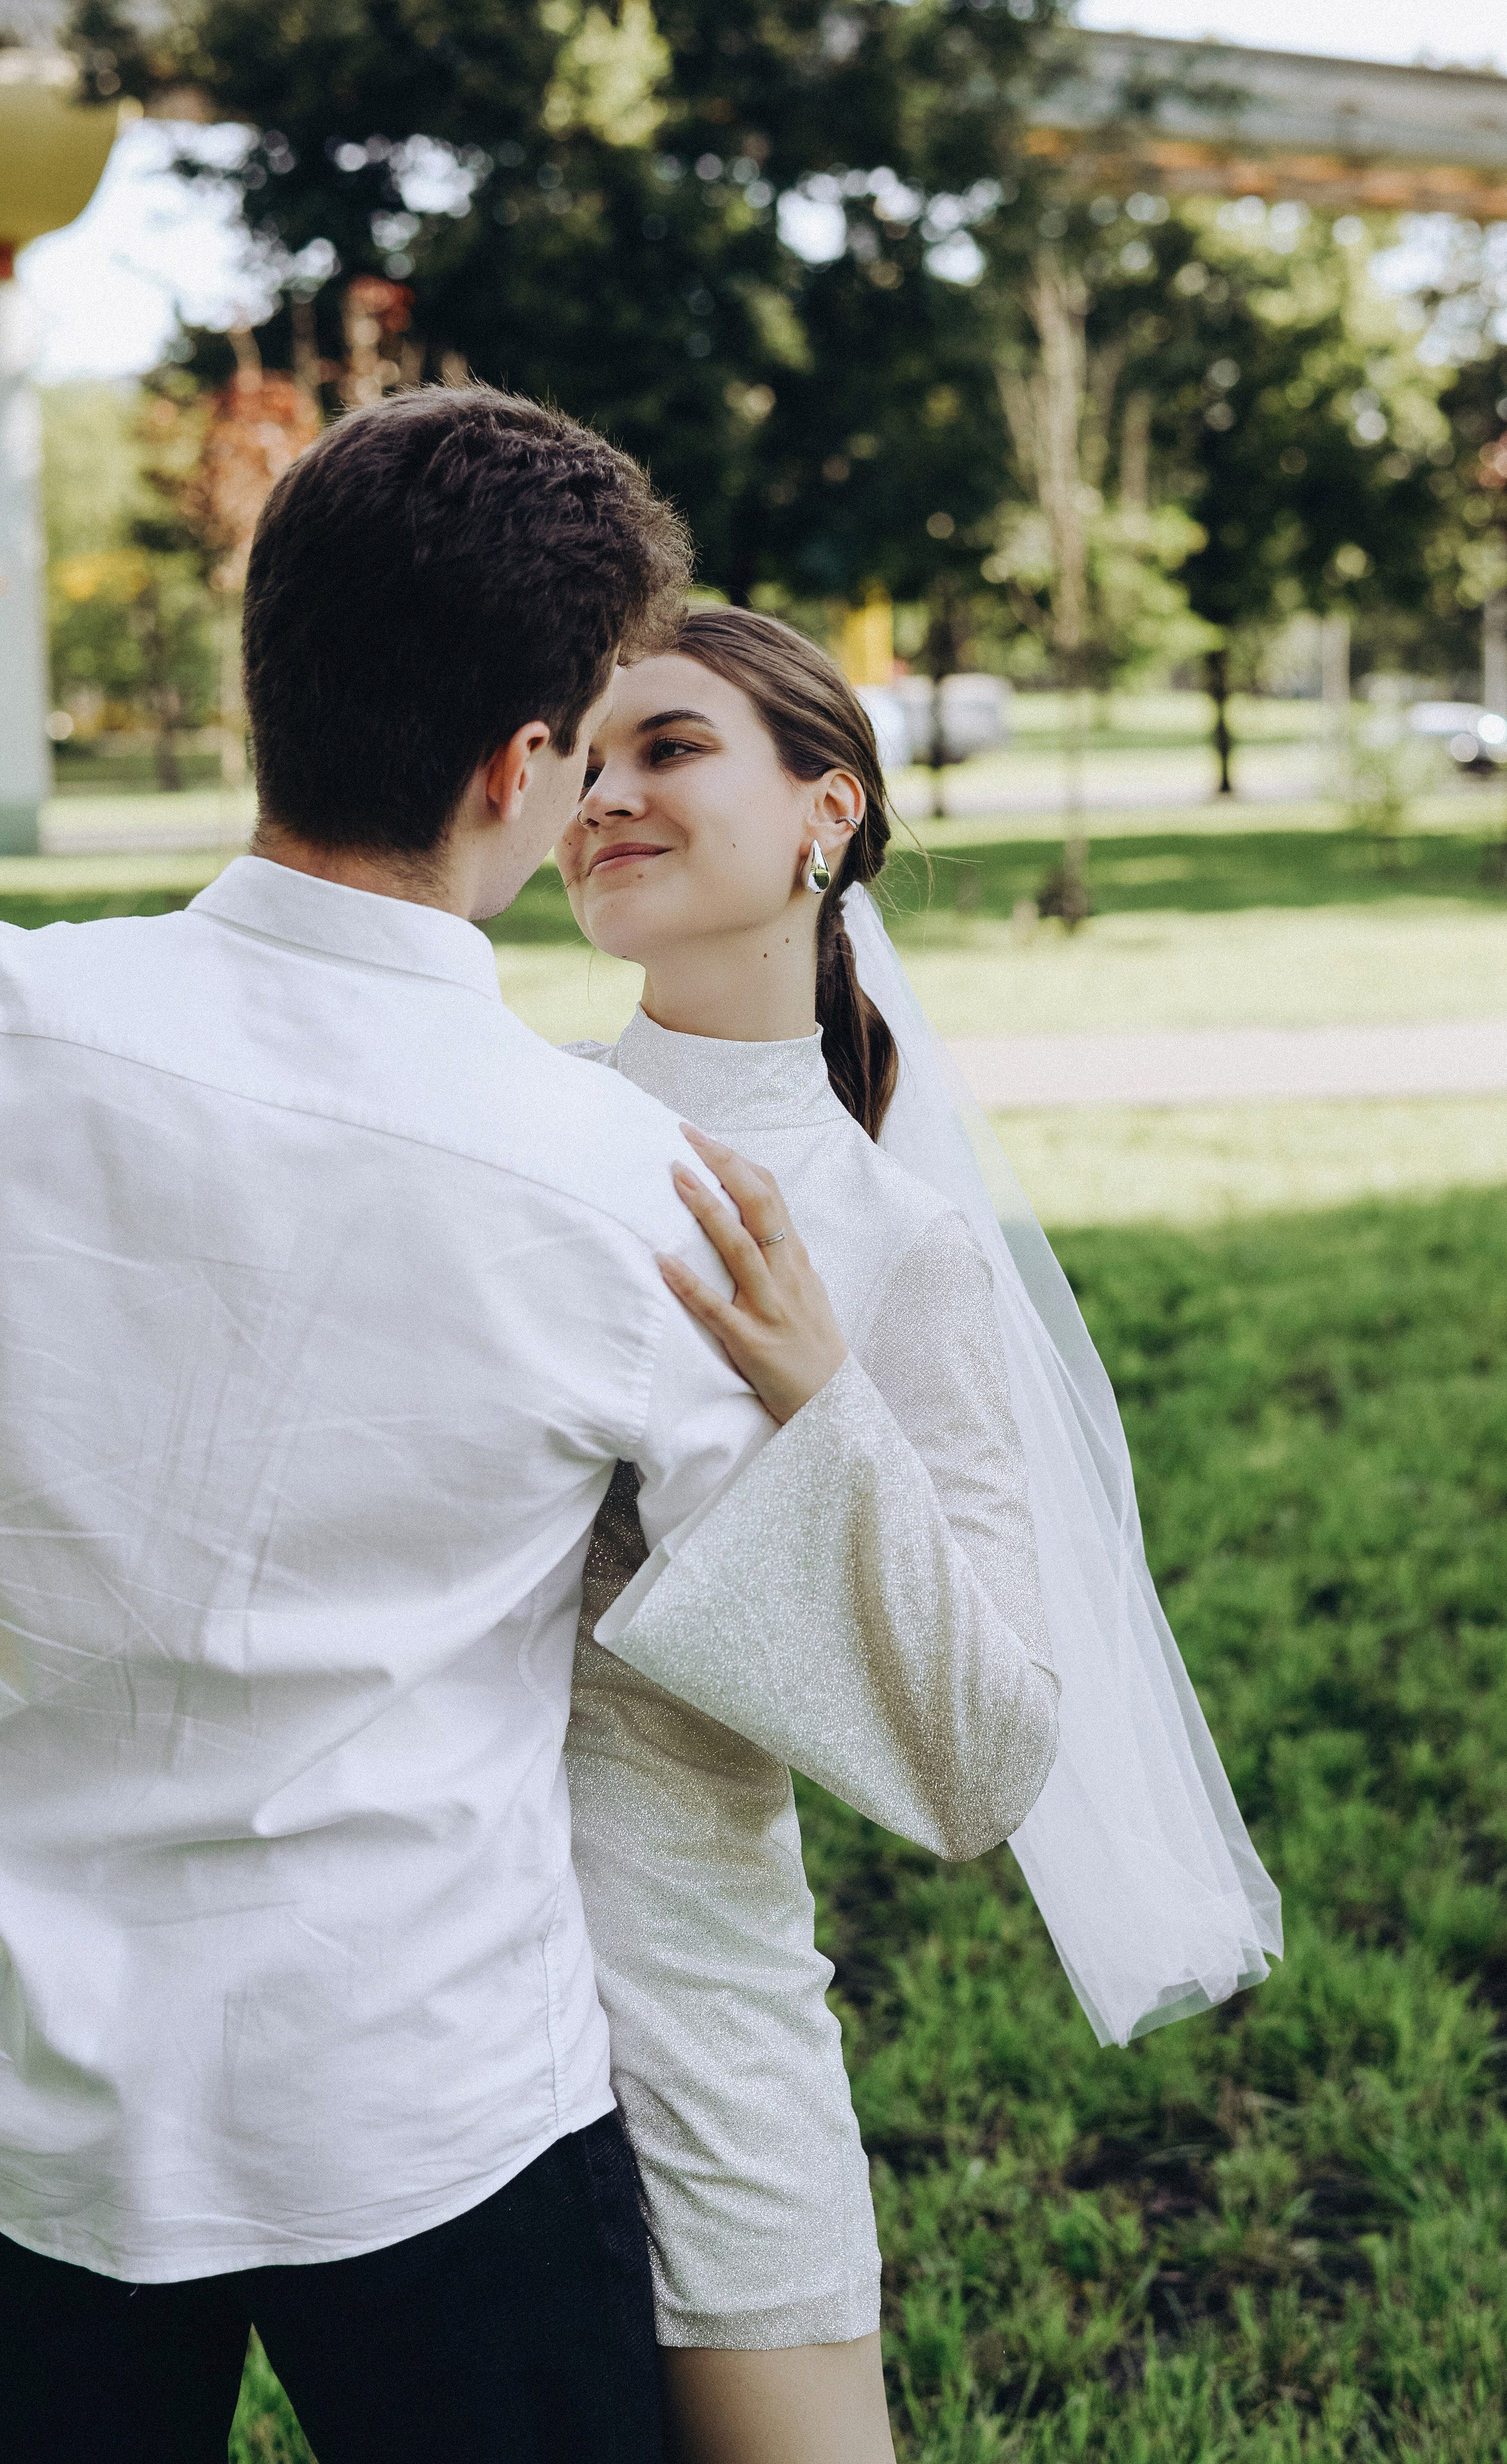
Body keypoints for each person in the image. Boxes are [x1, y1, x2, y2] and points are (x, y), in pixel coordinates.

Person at [0, 391, 1055, 2464]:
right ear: (521, 770)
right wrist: (821, 1410)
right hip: (431, 2116)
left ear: (263, 677)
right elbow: (973, 1758)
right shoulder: (630, 1195)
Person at [557, 607, 1283, 2464]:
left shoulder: (897, 1248)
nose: (603, 790)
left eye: (667, 746)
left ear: (826, 813)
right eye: (585, 753)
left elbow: (990, 1759)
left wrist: (826, 1403)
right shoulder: (515, 1148)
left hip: (693, 1999)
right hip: (425, 2006)